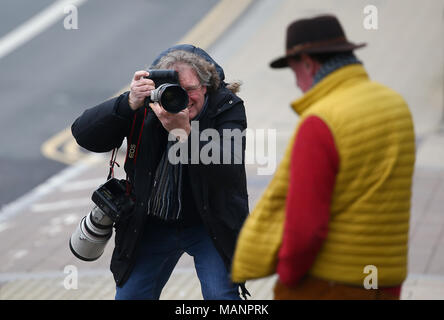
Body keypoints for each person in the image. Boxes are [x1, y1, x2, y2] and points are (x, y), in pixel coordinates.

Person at [232, 15, 415, 299]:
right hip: (386, 282)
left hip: (329, 284)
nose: (297, 84)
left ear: (308, 63)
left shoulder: (321, 121)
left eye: (295, 73)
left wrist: (289, 277)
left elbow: (306, 227)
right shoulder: (394, 104)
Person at [71, 44, 249, 300]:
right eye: (176, 92)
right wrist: (127, 102)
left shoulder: (225, 107)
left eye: (190, 90)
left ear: (206, 86)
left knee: (221, 296)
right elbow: (84, 135)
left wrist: (185, 132)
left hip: (209, 223)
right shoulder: (146, 106)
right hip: (152, 222)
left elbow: (229, 169)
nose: (184, 99)